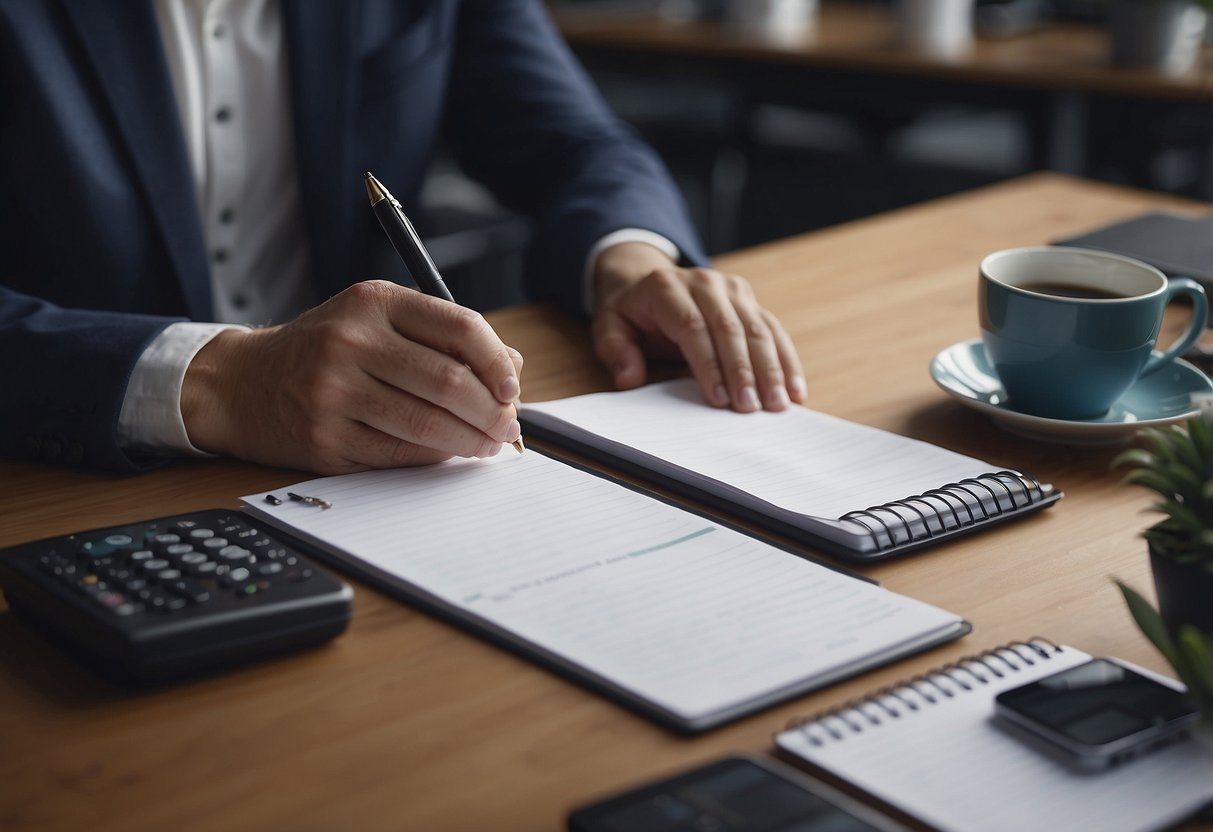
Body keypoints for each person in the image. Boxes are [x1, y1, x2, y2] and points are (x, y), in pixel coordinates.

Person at [0, 0, 805, 475]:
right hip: (59, 475)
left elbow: (574, 140)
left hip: (361, 484)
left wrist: (630, 259)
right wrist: (219, 379)